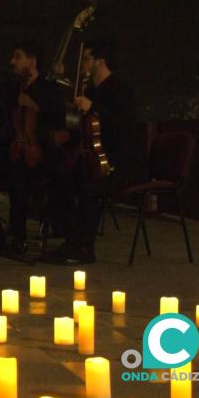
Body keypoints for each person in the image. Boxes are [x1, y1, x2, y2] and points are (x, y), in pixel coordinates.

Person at [42, 40, 148, 264]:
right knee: (59, 178)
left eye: (87, 59)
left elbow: (124, 126)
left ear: (100, 62)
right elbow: (85, 127)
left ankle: (84, 249)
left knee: (88, 186)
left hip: (119, 161)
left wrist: (94, 108)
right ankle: (70, 241)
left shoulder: (120, 89)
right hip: (95, 157)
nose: (83, 64)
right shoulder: (90, 89)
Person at [0, 41, 66, 254]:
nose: (12, 61)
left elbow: (58, 120)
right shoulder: (11, 88)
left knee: (19, 174)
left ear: (32, 61)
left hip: (42, 157)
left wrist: (34, 105)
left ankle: (19, 239)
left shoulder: (49, 89)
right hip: (16, 153)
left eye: (18, 57)